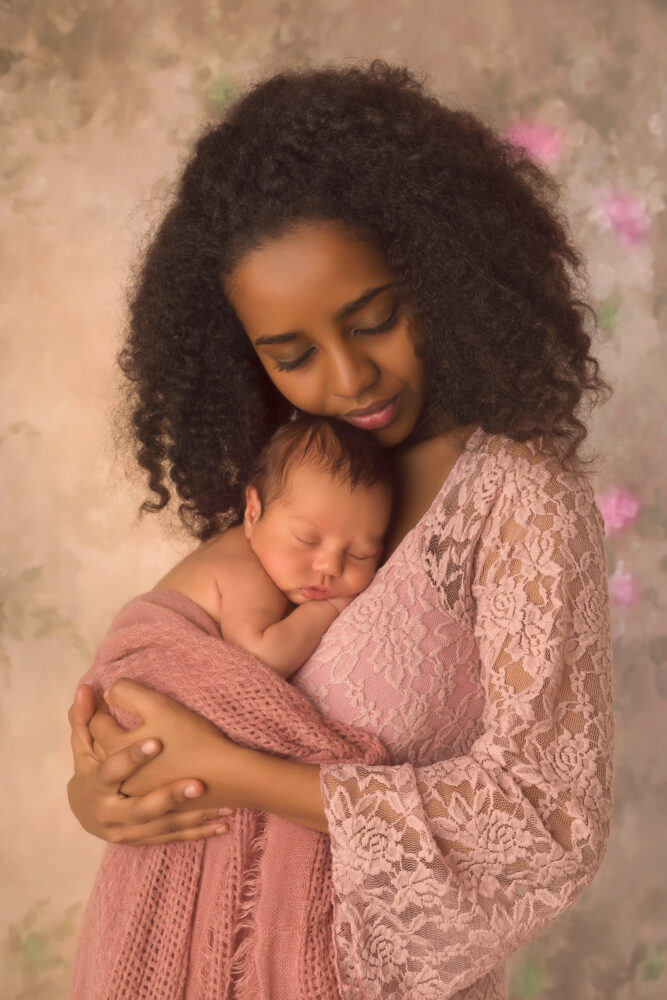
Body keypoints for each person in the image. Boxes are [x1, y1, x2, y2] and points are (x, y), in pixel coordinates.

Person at [67, 61, 613, 999]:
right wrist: (104, 793)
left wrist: (234, 773)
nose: (349, 379)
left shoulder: (516, 503)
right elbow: (184, 665)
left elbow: (548, 820)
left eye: (374, 320)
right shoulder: (298, 477)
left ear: (439, 272)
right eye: (292, 355)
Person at [152, 415, 392, 676]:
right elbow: (260, 659)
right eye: (306, 539)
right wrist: (328, 608)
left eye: (360, 555)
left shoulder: (272, 559)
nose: (332, 566)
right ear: (253, 513)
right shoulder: (244, 568)